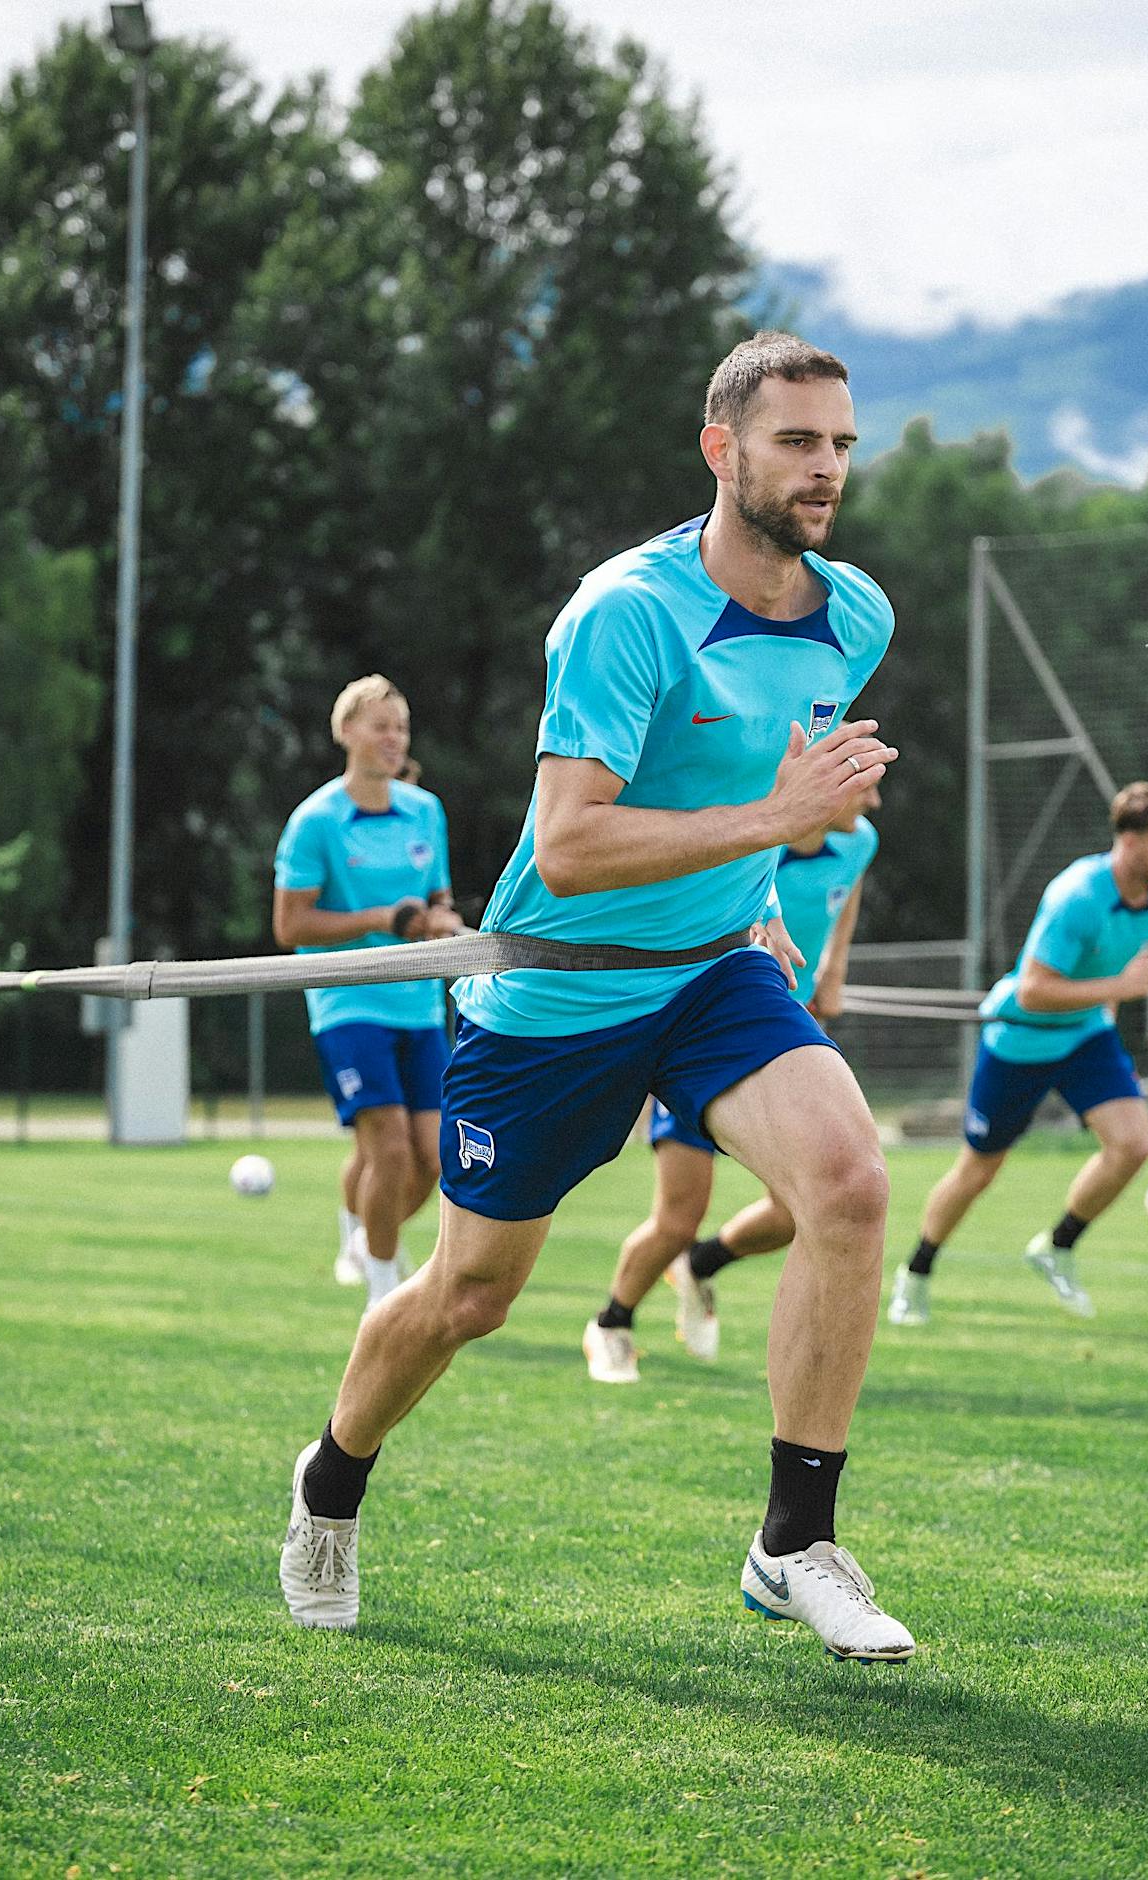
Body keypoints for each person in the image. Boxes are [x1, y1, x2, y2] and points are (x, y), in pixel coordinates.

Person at [280, 332, 914, 1664]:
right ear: (720, 448)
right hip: (554, 999)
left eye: (843, 443)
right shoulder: (627, 611)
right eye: (798, 441)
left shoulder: (854, 615)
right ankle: (331, 1481)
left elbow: (752, 773)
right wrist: (774, 823)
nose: (827, 468)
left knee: (849, 1184)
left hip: (709, 980)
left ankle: (793, 1540)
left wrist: (750, 896)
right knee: (471, 1299)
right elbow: (570, 843)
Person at [584, 779, 881, 1383]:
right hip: (705, 1040)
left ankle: (702, 1264)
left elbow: (844, 901)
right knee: (677, 1215)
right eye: (866, 790)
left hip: (777, 1040)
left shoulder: (860, 842)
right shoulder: (750, 843)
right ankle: (611, 1323)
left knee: (804, 1206)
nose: (873, 805)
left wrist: (833, 970)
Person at [890, 783, 1148, 1327]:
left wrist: (1117, 992)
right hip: (1020, 1039)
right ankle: (915, 1274)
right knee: (978, 1172)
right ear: (1130, 841)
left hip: (1085, 1036)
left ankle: (1057, 1246)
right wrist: (1120, 989)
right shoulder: (1075, 897)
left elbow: (1129, 946)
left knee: (1132, 1144)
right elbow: (1033, 991)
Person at [273, 677, 461, 1308]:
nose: (393, 738)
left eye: (401, 727)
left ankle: (361, 1235)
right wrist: (380, 919)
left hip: (418, 1004)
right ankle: (385, 1290)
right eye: (380, 725)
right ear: (345, 732)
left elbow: (438, 898)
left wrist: (442, 922)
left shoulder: (425, 811)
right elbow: (290, 926)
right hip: (346, 1002)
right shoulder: (315, 821)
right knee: (388, 1149)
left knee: (431, 1159)